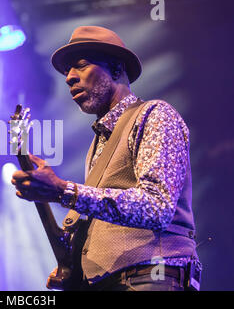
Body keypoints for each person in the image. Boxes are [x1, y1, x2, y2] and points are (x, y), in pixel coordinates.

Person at [11, 26, 201, 291]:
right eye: (67, 72)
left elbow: (156, 207)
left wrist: (63, 190)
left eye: (80, 65)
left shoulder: (155, 115)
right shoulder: (98, 144)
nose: (69, 78)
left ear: (115, 68)